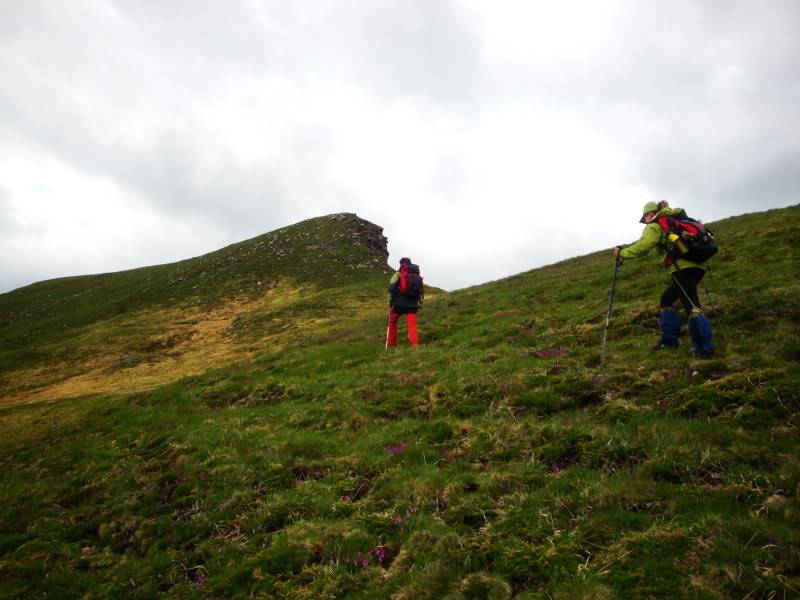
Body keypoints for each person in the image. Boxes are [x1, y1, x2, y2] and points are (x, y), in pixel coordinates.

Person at [613, 201, 714, 357]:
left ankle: (704, 350)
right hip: (697, 265)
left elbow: (643, 246)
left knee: (693, 307)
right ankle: (669, 340)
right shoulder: (675, 220)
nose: (644, 220)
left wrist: (622, 254)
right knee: (666, 299)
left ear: (649, 214)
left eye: (645, 216)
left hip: (682, 268)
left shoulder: (655, 225)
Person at [387, 257, 421, 346]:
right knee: (412, 325)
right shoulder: (416, 274)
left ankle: (391, 343)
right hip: (413, 304)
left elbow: (391, 289)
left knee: (392, 321)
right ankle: (414, 345)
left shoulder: (398, 274)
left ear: (401, 264)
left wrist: (390, 303)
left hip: (399, 304)